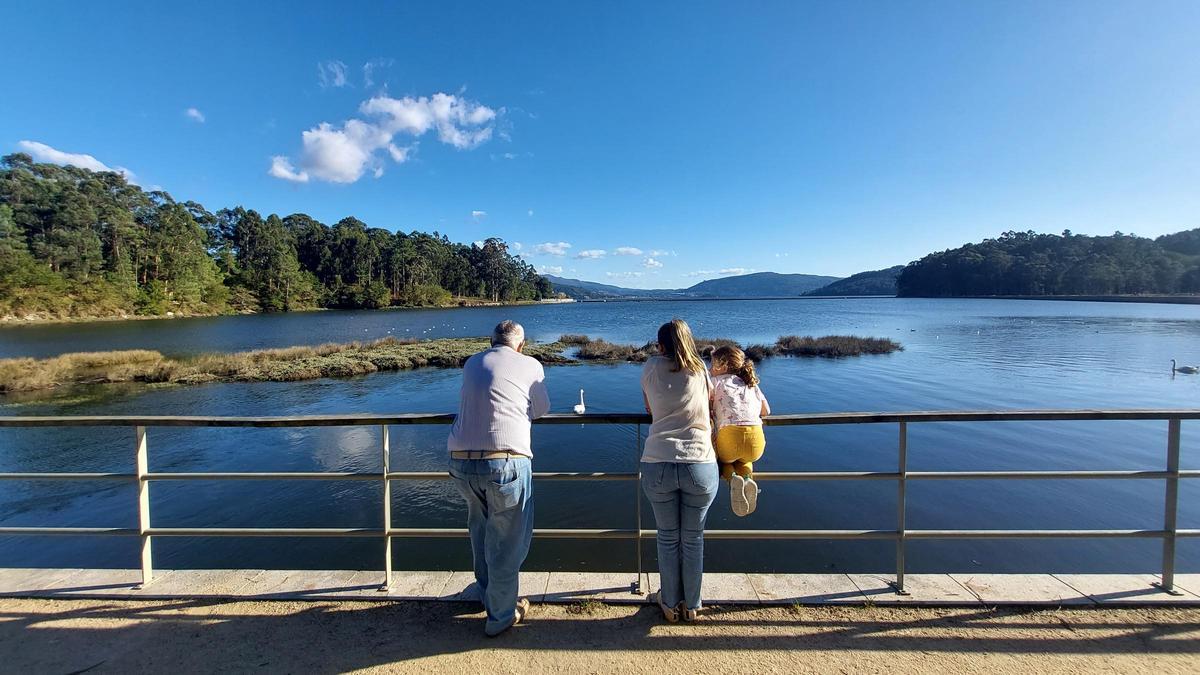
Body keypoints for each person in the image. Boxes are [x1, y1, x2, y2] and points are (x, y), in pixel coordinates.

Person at [447, 320, 550, 636]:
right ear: (521, 344)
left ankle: (486, 591)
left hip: (461, 462)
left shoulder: (472, 362)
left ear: (490, 341)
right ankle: (501, 616)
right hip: (505, 462)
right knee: (506, 542)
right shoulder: (530, 364)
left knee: (480, 530)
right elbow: (542, 409)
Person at [640, 318, 718, 622]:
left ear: (660, 346)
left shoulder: (650, 367)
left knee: (667, 537)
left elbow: (649, 408)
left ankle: (671, 605)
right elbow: (710, 405)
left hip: (658, 460)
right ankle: (692, 605)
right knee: (693, 538)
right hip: (699, 462)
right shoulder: (700, 370)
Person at [709, 345, 771, 516]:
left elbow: (705, 406)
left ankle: (732, 479)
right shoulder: (751, 383)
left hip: (729, 439)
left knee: (724, 462)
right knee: (745, 460)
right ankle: (747, 479)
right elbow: (766, 411)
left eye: (712, 364)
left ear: (722, 366)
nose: (710, 368)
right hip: (756, 443)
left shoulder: (715, 382)